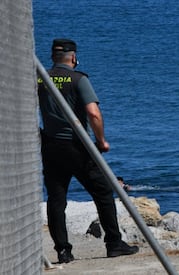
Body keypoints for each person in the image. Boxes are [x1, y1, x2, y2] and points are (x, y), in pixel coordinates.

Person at [38, 38, 138, 264]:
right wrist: (101, 141)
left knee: (56, 199)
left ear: (53, 57)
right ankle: (114, 243)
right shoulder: (78, 79)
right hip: (77, 146)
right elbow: (93, 113)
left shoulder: (40, 78)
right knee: (103, 193)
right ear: (73, 57)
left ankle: (63, 251)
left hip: (51, 146)